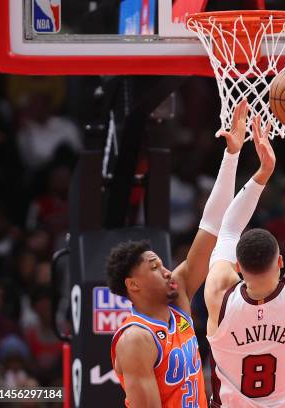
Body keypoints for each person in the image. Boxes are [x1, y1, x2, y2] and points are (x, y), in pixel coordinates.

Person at [106, 100, 249, 407]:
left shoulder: (178, 298)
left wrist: (232, 155)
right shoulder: (136, 339)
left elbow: (210, 227)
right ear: (134, 284)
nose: (167, 270)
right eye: (155, 267)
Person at [205, 96, 285, 407]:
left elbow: (226, 228)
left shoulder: (219, 294)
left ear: (238, 266)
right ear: (280, 261)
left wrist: (260, 172)